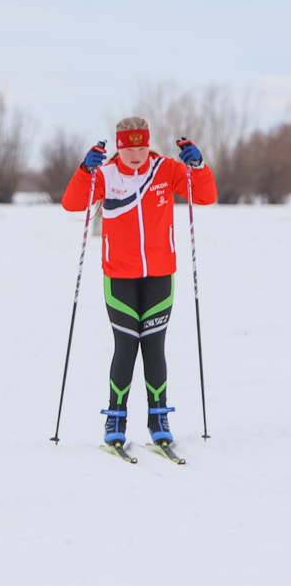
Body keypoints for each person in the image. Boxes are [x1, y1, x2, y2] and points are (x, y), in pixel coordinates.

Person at [61, 118, 217, 446]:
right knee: (126, 345)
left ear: (149, 144)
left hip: (160, 274)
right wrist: (85, 171)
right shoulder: (106, 175)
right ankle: (115, 418)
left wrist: (199, 166)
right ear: (119, 146)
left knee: (154, 345)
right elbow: (72, 204)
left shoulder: (165, 170)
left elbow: (205, 197)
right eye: (129, 147)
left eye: (141, 146)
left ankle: (158, 415)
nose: (136, 154)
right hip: (119, 277)